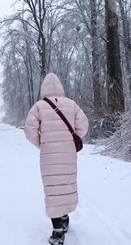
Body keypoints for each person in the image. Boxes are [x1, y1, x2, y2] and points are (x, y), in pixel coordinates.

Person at [24, 73, 89, 245]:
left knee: (53, 187)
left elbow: (29, 131)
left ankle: (58, 231)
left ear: (43, 88)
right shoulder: (72, 104)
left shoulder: (39, 106)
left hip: (48, 155)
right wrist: (70, 140)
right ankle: (65, 218)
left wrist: (42, 143)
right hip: (69, 154)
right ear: (60, 87)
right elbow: (84, 125)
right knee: (66, 185)